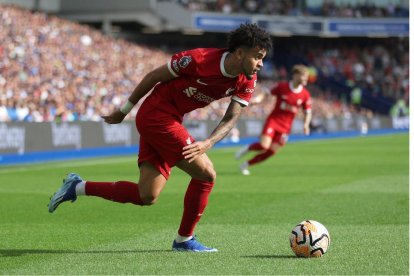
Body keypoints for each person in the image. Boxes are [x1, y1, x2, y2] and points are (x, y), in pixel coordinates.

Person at [48, 23, 272, 252]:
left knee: (146, 195)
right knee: (206, 175)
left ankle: (77, 187)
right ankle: (184, 239)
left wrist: (209, 142)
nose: (261, 64)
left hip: (171, 119)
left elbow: (231, 117)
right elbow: (154, 76)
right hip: (156, 115)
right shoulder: (198, 59)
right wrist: (124, 110)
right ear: (240, 53)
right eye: (257, 57)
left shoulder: (247, 79)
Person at [235, 64, 312, 175]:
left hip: (286, 128)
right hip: (273, 121)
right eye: (304, 76)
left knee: (271, 152)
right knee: (264, 146)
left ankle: (245, 165)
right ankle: (247, 148)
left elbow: (307, 112)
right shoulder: (283, 87)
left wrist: (306, 124)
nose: (306, 79)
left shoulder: (305, 94)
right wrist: (258, 99)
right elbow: (267, 93)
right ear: (296, 75)